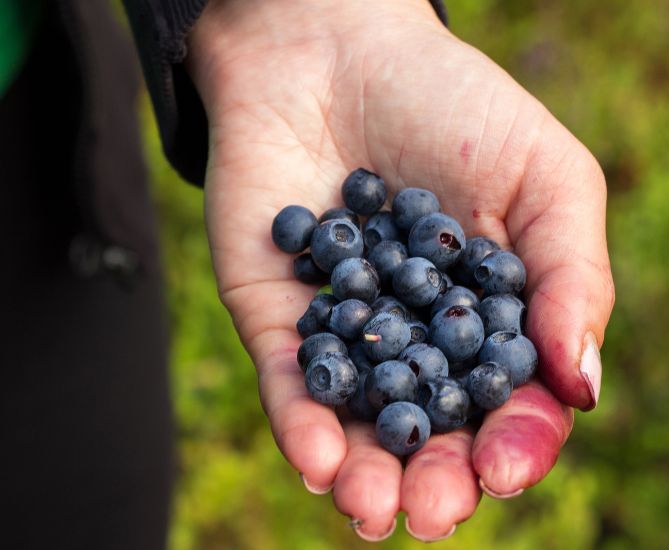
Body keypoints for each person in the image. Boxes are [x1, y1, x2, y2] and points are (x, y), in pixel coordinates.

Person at [2, 0, 614, 545]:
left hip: (35, 110)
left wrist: (300, 11)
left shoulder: (414, 290)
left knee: (97, 500)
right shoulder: (382, 315)